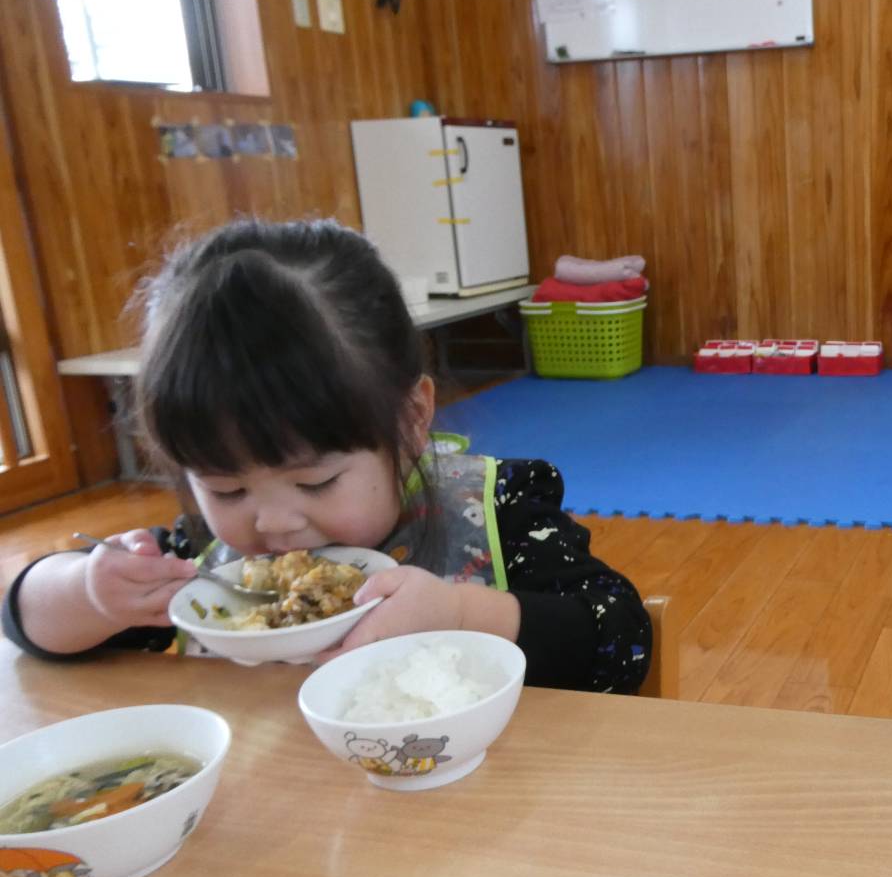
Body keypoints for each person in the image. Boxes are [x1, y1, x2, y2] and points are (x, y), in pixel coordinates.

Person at [3, 219, 651, 693]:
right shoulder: (207, 568)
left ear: (411, 420)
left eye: (315, 482)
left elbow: (620, 639)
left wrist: (460, 614)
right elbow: (24, 624)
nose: (273, 523)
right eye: (227, 489)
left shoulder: (494, 514)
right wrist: (91, 594)